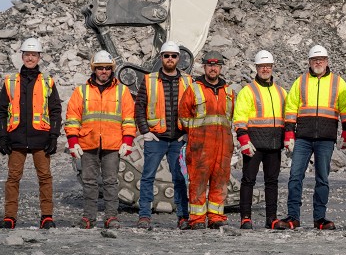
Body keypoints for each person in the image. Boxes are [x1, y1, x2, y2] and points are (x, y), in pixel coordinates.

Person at [0, 37, 62, 229]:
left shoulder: (47, 81)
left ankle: (46, 217)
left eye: (34, 55)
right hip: (16, 138)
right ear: (22, 56)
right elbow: (0, 111)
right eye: (27, 55)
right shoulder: (10, 82)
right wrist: (2, 137)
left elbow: (55, 111)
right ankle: (10, 217)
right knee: (13, 178)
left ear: (39, 57)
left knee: (45, 177)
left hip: (41, 138)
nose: (30, 58)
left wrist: (54, 136)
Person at [64, 50, 135, 229]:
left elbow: (128, 118)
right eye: (100, 68)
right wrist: (73, 142)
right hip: (88, 142)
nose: (104, 71)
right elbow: (72, 118)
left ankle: (111, 217)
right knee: (89, 182)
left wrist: (127, 141)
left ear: (112, 69)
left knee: (111, 182)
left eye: (107, 68)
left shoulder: (122, 91)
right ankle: (89, 217)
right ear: (94, 69)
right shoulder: (82, 91)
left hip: (113, 144)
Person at [283, 45, 346, 230]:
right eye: (315, 60)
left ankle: (319, 218)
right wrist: (289, 133)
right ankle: (293, 217)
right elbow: (291, 107)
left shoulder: (338, 82)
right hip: (302, 138)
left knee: (322, 179)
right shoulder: (301, 82)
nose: (318, 62)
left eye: (321, 59)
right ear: (309, 62)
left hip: (325, 139)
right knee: (295, 176)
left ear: (327, 61)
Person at [134, 40, 197, 230]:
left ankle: (183, 217)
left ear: (179, 58)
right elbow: (139, 107)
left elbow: (194, 109)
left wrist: (187, 133)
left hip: (178, 138)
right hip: (156, 138)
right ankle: (144, 216)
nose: (170, 59)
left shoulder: (188, 81)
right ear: (161, 57)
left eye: (173, 56)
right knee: (148, 176)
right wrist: (145, 131)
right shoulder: (149, 80)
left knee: (179, 178)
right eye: (167, 56)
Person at [233, 50, 289, 230]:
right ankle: (245, 218)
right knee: (248, 180)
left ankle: (271, 218)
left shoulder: (281, 92)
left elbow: (287, 117)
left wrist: (288, 136)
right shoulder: (248, 91)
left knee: (272, 182)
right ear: (256, 68)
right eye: (262, 66)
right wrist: (243, 140)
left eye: (268, 66)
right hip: (253, 144)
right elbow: (239, 117)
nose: (265, 69)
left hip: (274, 144)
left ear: (272, 68)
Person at [180, 51, 235, 229]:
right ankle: (197, 219)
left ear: (221, 68)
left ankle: (216, 217)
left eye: (216, 65)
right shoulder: (194, 89)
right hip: (200, 145)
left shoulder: (228, 91)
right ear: (204, 67)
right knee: (198, 181)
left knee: (220, 180)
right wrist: (195, 134)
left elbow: (230, 118)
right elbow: (183, 116)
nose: (213, 68)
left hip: (223, 145)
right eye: (210, 65)